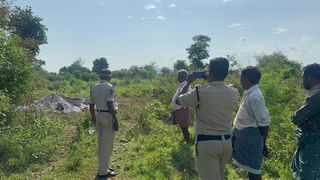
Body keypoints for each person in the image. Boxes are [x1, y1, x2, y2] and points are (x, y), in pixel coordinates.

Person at [176, 57, 239, 180]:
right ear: (226, 73)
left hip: (207, 145)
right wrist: (211, 76)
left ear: (210, 73)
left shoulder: (200, 92)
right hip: (226, 143)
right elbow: (230, 85)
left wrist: (188, 82)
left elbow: (178, 100)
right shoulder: (233, 92)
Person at [232, 66, 271, 180]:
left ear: (246, 78)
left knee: (254, 170)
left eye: (241, 78)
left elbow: (264, 123)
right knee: (250, 168)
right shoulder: (249, 93)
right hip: (243, 136)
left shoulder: (255, 96)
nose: (240, 81)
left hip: (252, 137)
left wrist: (263, 143)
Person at [292, 63, 320, 180]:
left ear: (310, 78)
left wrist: (301, 121)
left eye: (303, 77)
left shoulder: (317, 96)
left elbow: (297, 117)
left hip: (314, 146)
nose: (302, 80)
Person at [89, 69, 118, 178]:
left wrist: (94, 120)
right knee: (107, 145)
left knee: (101, 143)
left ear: (100, 76)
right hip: (108, 116)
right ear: (109, 77)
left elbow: (91, 106)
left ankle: (104, 166)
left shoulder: (94, 88)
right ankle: (103, 171)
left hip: (99, 116)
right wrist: (115, 119)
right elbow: (110, 103)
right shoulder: (110, 88)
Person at [172, 69, 192, 143]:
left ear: (182, 77)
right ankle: (187, 141)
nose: (178, 78)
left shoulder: (186, 85)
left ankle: (188, 142)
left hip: (182, 109)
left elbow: (187, 97)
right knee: (183, 127)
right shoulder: (183, 84)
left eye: (179, 76)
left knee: (184, 127)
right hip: (180, 109)